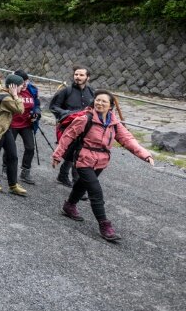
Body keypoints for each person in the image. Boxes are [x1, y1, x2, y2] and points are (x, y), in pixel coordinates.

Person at [51, 90, 154, 241]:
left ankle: (69, 206)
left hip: (101, 161)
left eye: (104, 102)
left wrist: (145, 155)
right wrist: (57, 155)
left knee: (82, 184)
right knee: (95, 191)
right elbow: (68, 136)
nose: (99, 103)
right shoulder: (85, 119)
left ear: (111, 106)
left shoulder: (114, 123)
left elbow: (127, 139)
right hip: (84, 159)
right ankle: (105, 225)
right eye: (97, 100)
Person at [0, 74, 28, 196]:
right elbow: (20, 110)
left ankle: (13, 184)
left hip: (5, 128)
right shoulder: (6, 98)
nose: (21, 88)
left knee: (13, 156)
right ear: (13, 86)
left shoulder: (3, 93)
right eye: (20, 86)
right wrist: (15, 95)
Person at [49, 65, 95, 187]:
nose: (78, 77)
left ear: (87, 77)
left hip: (86, 128)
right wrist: (67, 114)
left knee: (78, 154)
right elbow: (53, 107)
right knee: (72, 153)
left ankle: (64, 176)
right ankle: (76, 182)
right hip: (69, 127)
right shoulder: (66, 91)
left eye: (81, 75)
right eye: (76, 74)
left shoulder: (92, 92)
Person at [9, 69, 41, 184]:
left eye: (26, 81)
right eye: (21, 82)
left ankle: (25, 172)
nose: (24, 84)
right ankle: (5, 167)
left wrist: (36, 113)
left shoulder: (32, 90)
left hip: (26, 123)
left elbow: (37, 104)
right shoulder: (11, 90)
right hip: (12, 123)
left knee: (30, 148)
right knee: (10, 148)